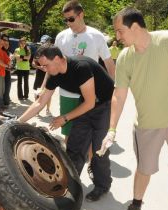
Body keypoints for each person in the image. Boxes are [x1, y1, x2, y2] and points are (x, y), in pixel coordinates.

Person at [98, 7, 168, 210]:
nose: (117, 37)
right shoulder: (125, 57)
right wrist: (111, 129)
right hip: (146, 125)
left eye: (120, 31)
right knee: (144, 169)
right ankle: (136, 204)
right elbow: (119, 94)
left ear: (135, 26)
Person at [19, 45, 114, 201]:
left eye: (45, 65)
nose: (44, 69)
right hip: (86, 103)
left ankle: (102, 186)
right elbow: (40, 101)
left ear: (57, 59)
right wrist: (18, 121)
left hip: (105, 103)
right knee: (75, 145)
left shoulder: (80, 67)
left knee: (98, 149)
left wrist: (64, 118)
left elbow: (90, 103)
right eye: (41, 66)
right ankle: (71, 183)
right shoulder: (54, 73)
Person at [54, 0, 115, 184]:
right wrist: (43, 89)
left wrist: (113, 92)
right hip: (67, 93)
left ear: (81, 15)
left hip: (90, 95)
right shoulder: (61, 36)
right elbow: (54, 65)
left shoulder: (96, 36)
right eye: (65, 20)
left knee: (92, 137)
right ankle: (70, 173)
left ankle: (93, 167)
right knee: (69, 135)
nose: (68, 23)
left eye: (71, 19)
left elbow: (109, 64)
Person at [33, 35, 53, 115]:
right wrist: (39, 67)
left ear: (49, 42)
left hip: (49, 74)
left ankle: (47, 110)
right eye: (42, 43)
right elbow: (33, 62)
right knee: (37, 92)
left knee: (48, 92)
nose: (42, 44)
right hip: (39, 74)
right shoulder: (38, 51)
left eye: (44, 42)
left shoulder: (51, 52)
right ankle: (36, 110)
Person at [3, 41, 13, 107]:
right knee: (5, 87)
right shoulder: (2, 52)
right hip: (2, 71)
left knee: (8, 86)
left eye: (8, 44)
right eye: (5, 44)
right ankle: (5, 102)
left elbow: (11, 63)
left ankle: (6, 100)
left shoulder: (8, 52)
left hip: (7, 71)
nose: (7, 45)